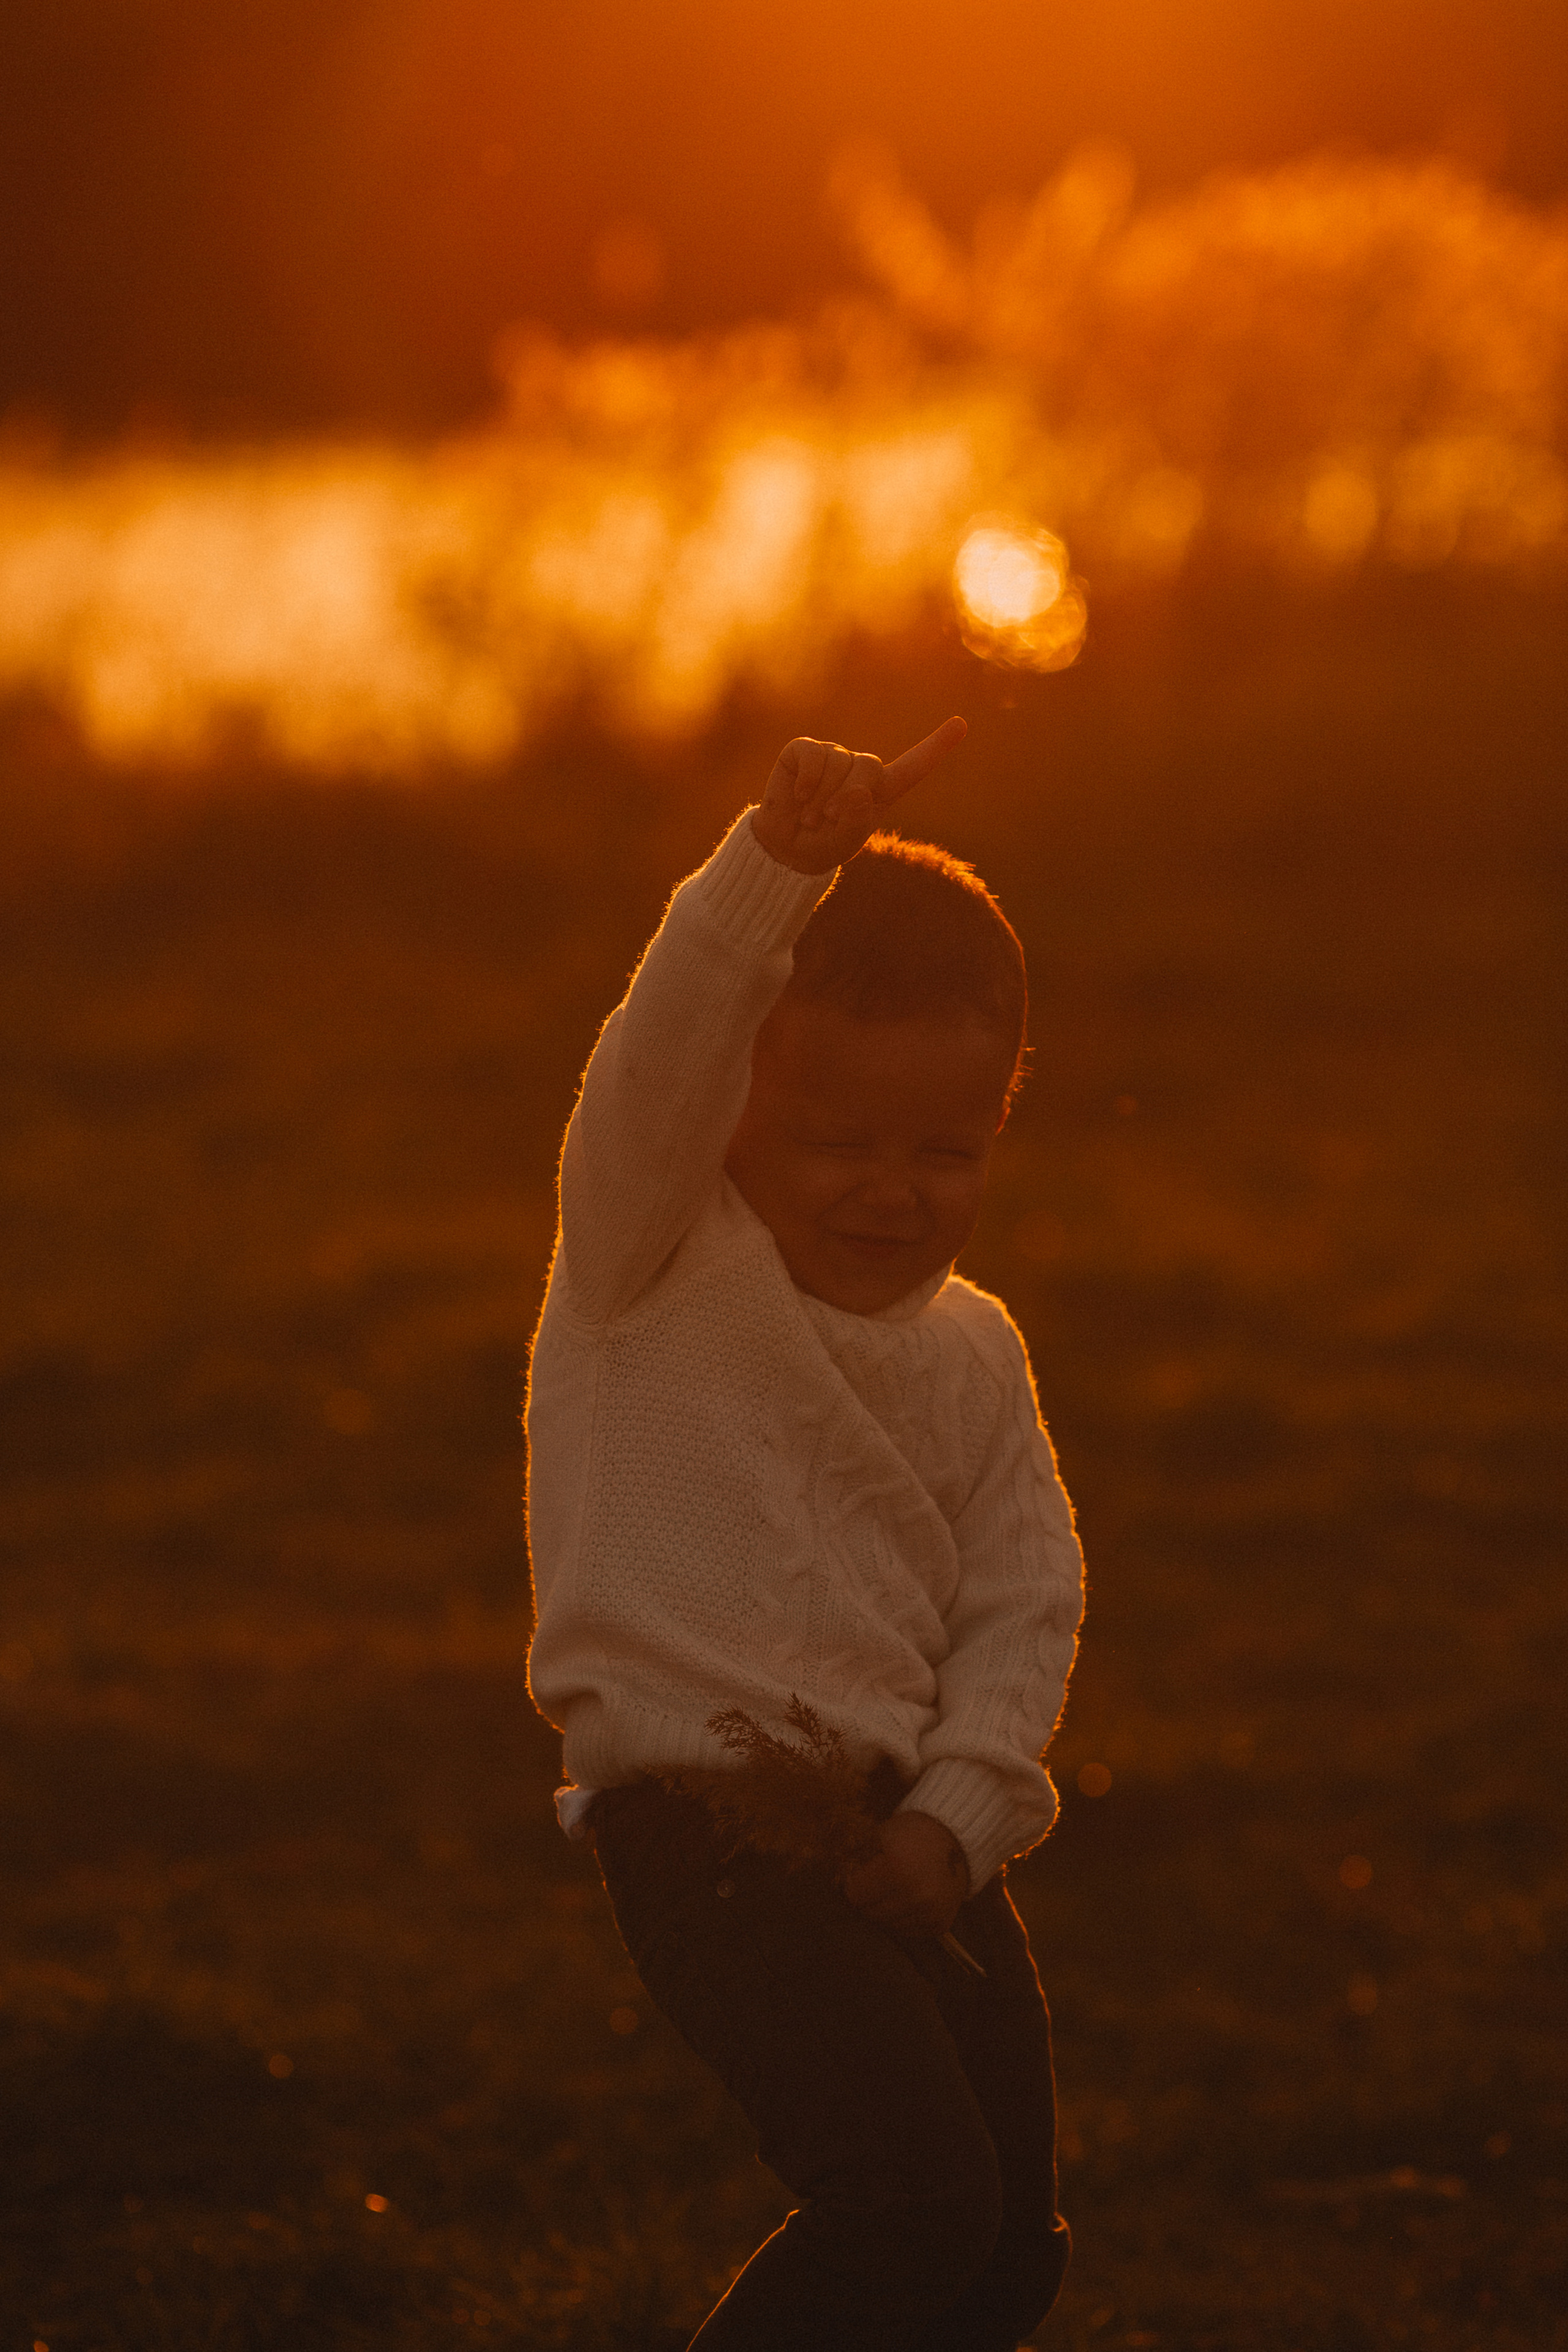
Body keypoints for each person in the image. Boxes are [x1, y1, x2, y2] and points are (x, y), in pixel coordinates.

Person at [526, 717, 1086, 2351]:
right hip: (706, 1829)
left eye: (945, 1150)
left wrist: (961, 1815)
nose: (893, 1190)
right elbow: (664, 1047)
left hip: (912, 1825)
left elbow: (1024, 1595)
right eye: (844, 1141)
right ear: (741, 1100)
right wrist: (775, 865)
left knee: (1002, 2253)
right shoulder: (648, 1255)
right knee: (908, 2207)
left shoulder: (973, 1349)